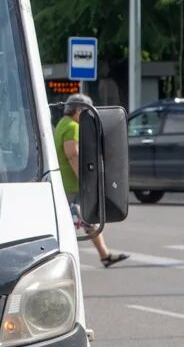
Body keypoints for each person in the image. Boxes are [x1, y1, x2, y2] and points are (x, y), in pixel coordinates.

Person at [55, 95, 129, 269]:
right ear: (79, 110)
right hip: (72, 184)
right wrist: (86, 181)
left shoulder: (62, 124)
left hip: (67, 183)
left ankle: (104, 255)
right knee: (75, 221)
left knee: (85, 220)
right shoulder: (72, 127)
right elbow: (73, 155)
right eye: (87, 111)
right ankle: (64, 261)